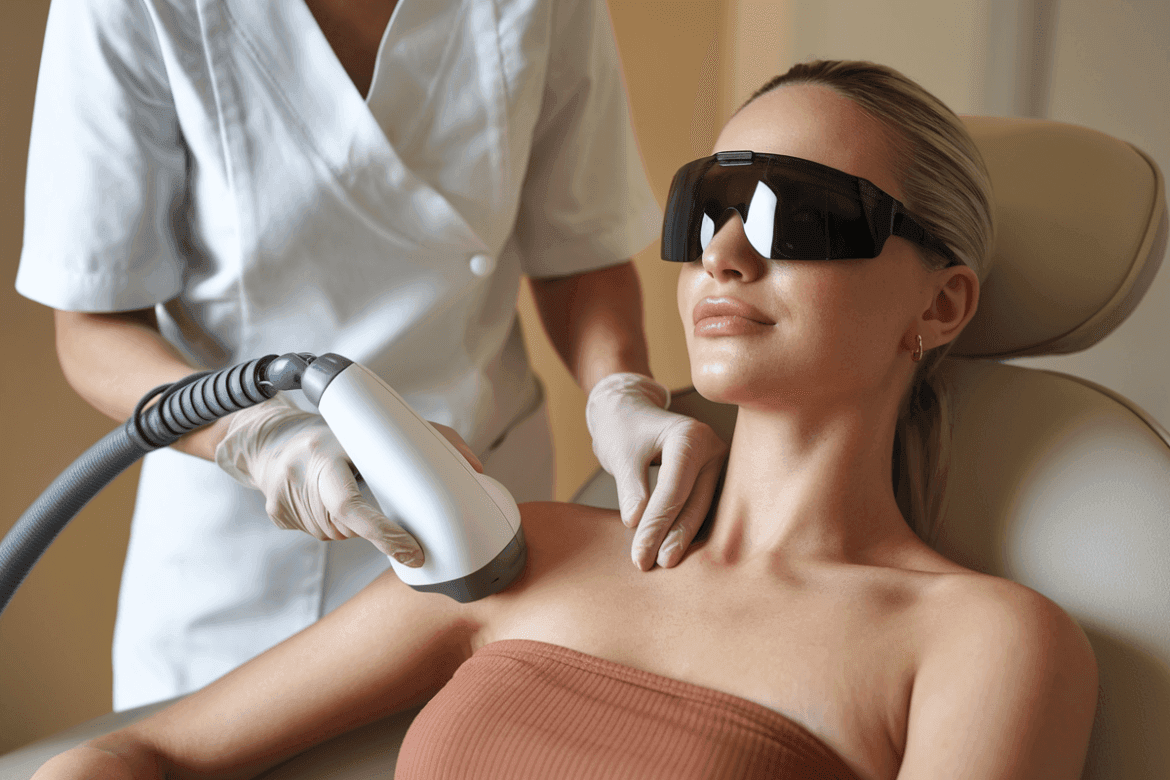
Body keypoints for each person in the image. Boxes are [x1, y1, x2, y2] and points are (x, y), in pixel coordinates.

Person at [32, 59, 1099, 780]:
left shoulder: (979, 641)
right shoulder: (514, 548)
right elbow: (143, 757)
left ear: (941, 303)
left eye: (797, 214)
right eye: (706, 209)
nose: (724, 254)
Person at [13, 0, 729, 711]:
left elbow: (579, 254)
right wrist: (255, 435)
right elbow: (93, 325)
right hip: (250, 551)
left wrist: (619, 391)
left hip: (479, 511)